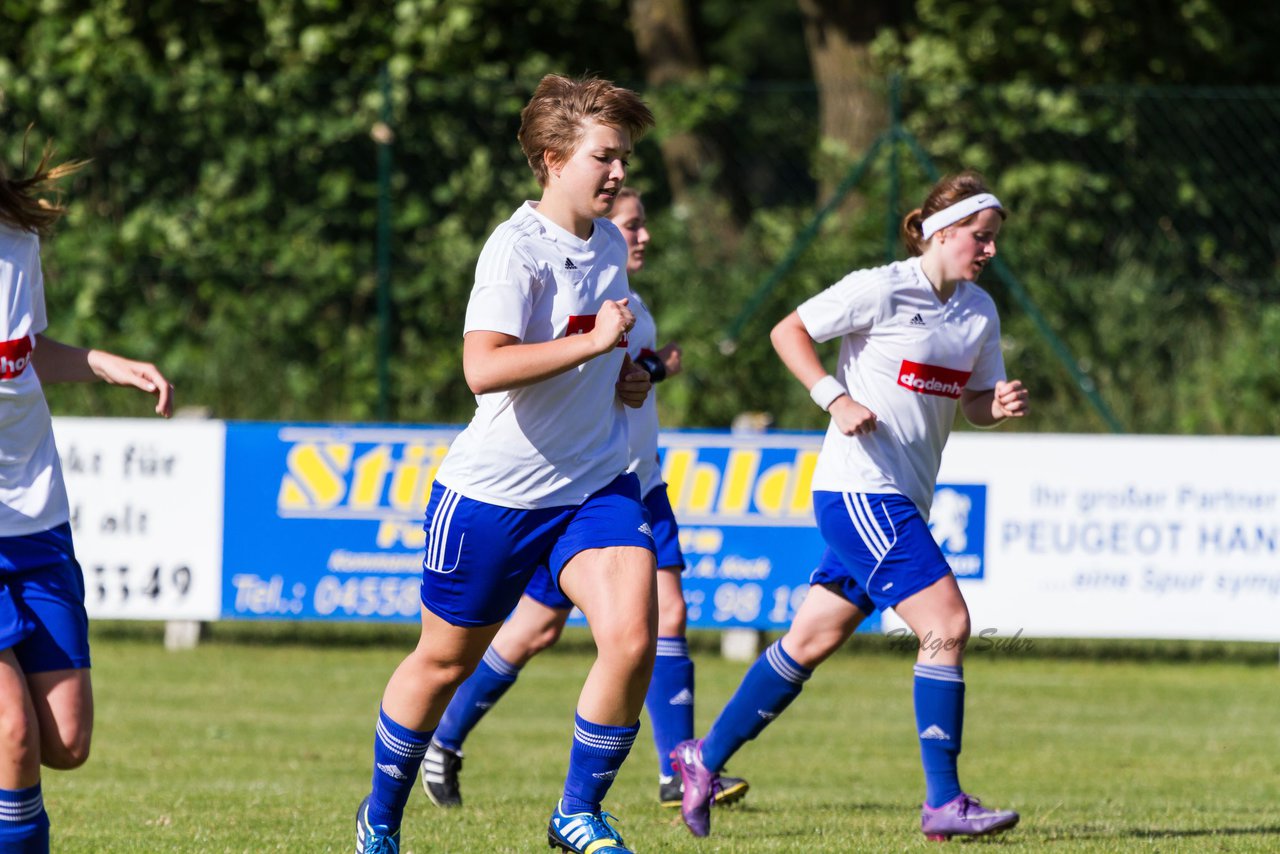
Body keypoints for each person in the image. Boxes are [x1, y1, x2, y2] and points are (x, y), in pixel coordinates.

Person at [669, 170, 1029, 842]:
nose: (989, 251)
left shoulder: (978, 311)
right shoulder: (882, 287)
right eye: (980, 238)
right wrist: (833, 396)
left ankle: (701, 758)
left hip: (901, 498)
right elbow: (788, 331)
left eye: (993, 240)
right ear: (941, 232)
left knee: (811, 639)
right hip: (859, 489)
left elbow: (973, 402)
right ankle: (944, 802)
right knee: (946, 622)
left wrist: (996, 406)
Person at [355, 75, 659, 854]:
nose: (619, 173)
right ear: (555, 160)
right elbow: (483, 368)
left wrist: (621, 373)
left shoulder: (608, 246)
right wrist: (593, 345)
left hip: (596, 484)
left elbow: (595, 353)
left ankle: (576, 814)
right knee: (444, 661)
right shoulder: (514, 249)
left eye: (624, 157)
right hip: (493, 496)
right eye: (605, 157)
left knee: (631, 638)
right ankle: (380, 821)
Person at [418, 187, 749, 813]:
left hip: (632, 485)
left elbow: (623, 377)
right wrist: (640, 367)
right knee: (534, 631)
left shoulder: (628, 299)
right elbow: (515, 366)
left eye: (644, 224)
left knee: (662, 614)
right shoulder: (540, 263)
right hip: (570, 489)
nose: (642, 235)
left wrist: (648, 372)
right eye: (632, 222)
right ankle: (446, 739)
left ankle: (677, 771)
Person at [1, 139, 174, 852]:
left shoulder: (16, 242)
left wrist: (104, 363)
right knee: (10, 730)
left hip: (36, 518)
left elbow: (25, 350)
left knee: (65, 739)